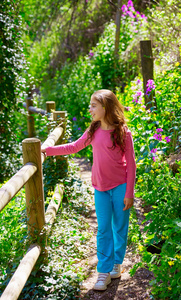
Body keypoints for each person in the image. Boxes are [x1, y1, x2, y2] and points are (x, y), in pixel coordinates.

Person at [41, 89, 136, 291]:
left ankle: (116, 264)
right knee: (103, 229)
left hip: (120, 187)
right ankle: (103, 272)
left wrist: (129, 193)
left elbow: (132, 165)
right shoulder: (93, 130)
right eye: (90, 105)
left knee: (119, 227)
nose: (90, 109)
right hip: (100, 188)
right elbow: (74, 147)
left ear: (105, 107)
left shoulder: (123, 132)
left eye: (93, 105)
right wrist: (48, 150)